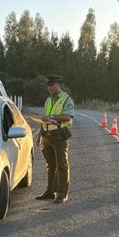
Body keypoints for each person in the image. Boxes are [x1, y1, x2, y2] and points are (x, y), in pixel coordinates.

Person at [35, 74, 74, 203]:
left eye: (52, 85)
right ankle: (50, 192)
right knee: (50, 165)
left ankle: (62, 194)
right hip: (47, 135)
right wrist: (39, 136)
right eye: (48, 85)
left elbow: (67, 116)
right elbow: (44, 119)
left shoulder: (66, 99)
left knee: (62, 165)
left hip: (59, 134)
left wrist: (51, 116)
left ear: (59, 85)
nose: (49, 87)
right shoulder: (48, 100)